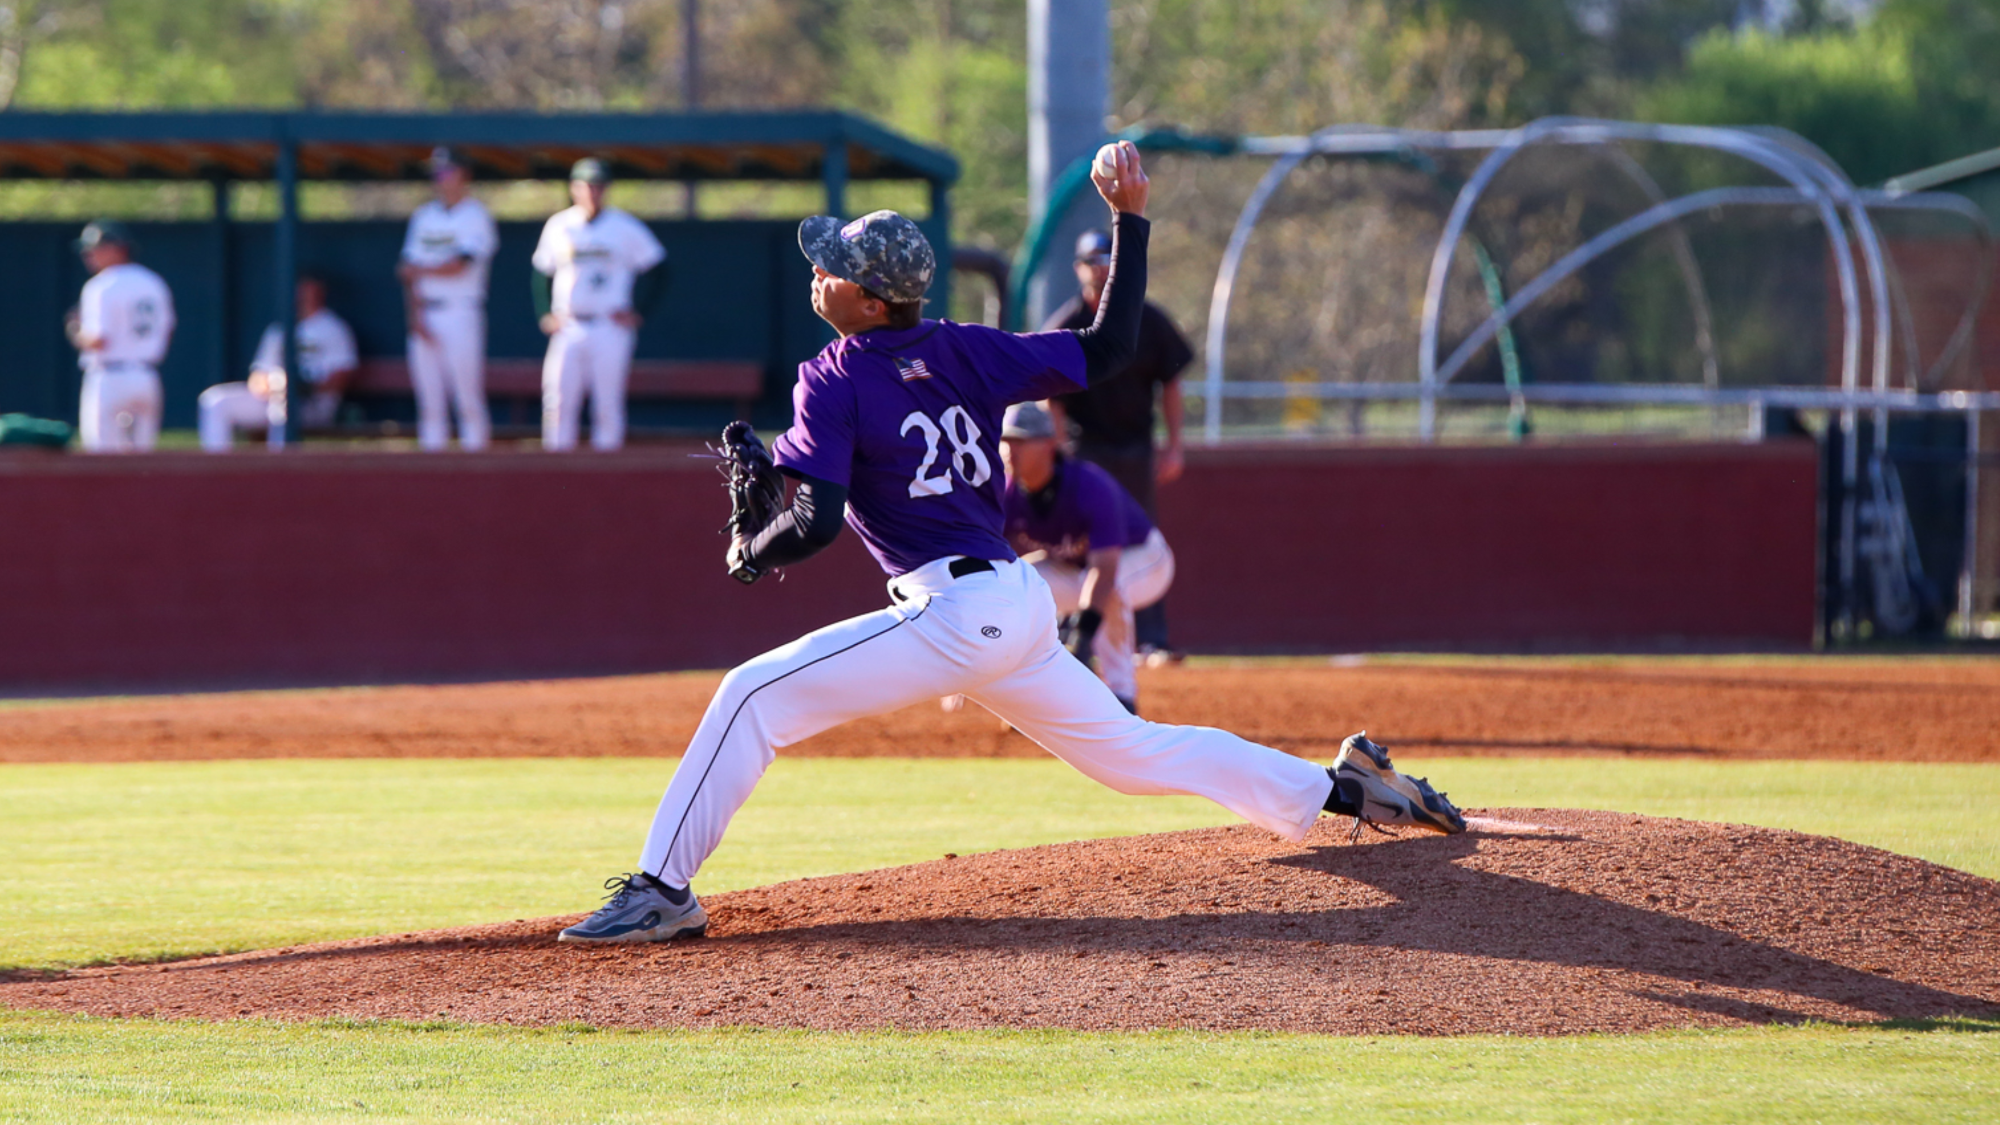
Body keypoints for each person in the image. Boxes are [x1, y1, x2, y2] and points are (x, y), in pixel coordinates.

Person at [557, 142, 1465, 946]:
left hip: (958, 611)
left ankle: (661, 890)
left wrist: (755, 547)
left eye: (832, 268)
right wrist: (1130, 223)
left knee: (749, 695)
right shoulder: (966, 349)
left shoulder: (831, 374)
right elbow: (1110, 349)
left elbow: (818, 520)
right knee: (1132, 754)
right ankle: (1348, 791)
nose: (817, 272)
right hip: (1014, 602)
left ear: (868, 301)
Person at [1042, 227, 1195, 662]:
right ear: (1079, 269)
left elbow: (1171, 381)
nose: (1100, 269)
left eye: (1108, 260)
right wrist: (1057, 455)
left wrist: (1175, 444)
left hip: (1135, 450)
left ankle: (1150, 641)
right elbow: (1048, 396)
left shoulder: (1146, 320)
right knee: (1082, 545)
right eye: (1092, 261)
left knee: (1142, 543)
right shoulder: (1067, 325)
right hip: (1085, 452)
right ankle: (1076, 636)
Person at [997, 399, 1175, 714]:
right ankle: (1027, 693)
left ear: (1050, 444)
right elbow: (989, 556)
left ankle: (1122, 698)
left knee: (1109, 589)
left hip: (1146, 560)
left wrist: (1083, 637)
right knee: (1015, 582)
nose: (1012, 449)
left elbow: (1104, 570)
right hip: (1079, 571)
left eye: (1022, 440)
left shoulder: (1088, 485)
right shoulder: (1008, 494)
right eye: (1006, 440)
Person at [531, 158, 669, 451]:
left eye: (597, 186)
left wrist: (639, 311)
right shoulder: (560, 225)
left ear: (606, 189)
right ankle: (555, 469)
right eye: (585, 186)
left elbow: (658, 268)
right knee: (557, 400)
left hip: (609, 323)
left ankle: (608, 473)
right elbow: (542, 271)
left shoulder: (624, 225)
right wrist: (545, 312)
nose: (592, 192)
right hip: (569, 322)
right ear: (574, 188)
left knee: (607, 403)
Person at [397, 147, 497, 451]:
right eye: (436, 173)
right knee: (429, 403)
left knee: (466, 398)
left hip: (460, 311)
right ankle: (431, 474)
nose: (440, 178)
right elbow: (406, 272)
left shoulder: (476, 215)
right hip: (426, 313)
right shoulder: (423, 216)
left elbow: (459, 266)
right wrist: (414, 317)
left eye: (446, 171)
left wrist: (421, 270)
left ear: (463, 175)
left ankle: (477, 468)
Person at [198, 275, 358, 451]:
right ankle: (219, 470)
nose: (305, 296)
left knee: (283, 406)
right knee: (215, 401)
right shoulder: (280, 328)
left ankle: (279, 470)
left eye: (311, 291)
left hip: (312, 403)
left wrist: (301, 388)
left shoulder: (333, 328)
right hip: (271, 398)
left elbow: (342, 374)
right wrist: (272, 387)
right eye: (302, 290)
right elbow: (258, 375)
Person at [67, 221, 175, 453]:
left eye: (95, 249)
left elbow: (97, 340)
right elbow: (167, 330)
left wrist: (75, 330)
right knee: (142, 464)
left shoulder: (101, 285)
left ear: (118, 248)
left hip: (109, 377)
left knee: (102, 461)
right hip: (147, 375)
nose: (89, 255)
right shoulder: (153, 281)